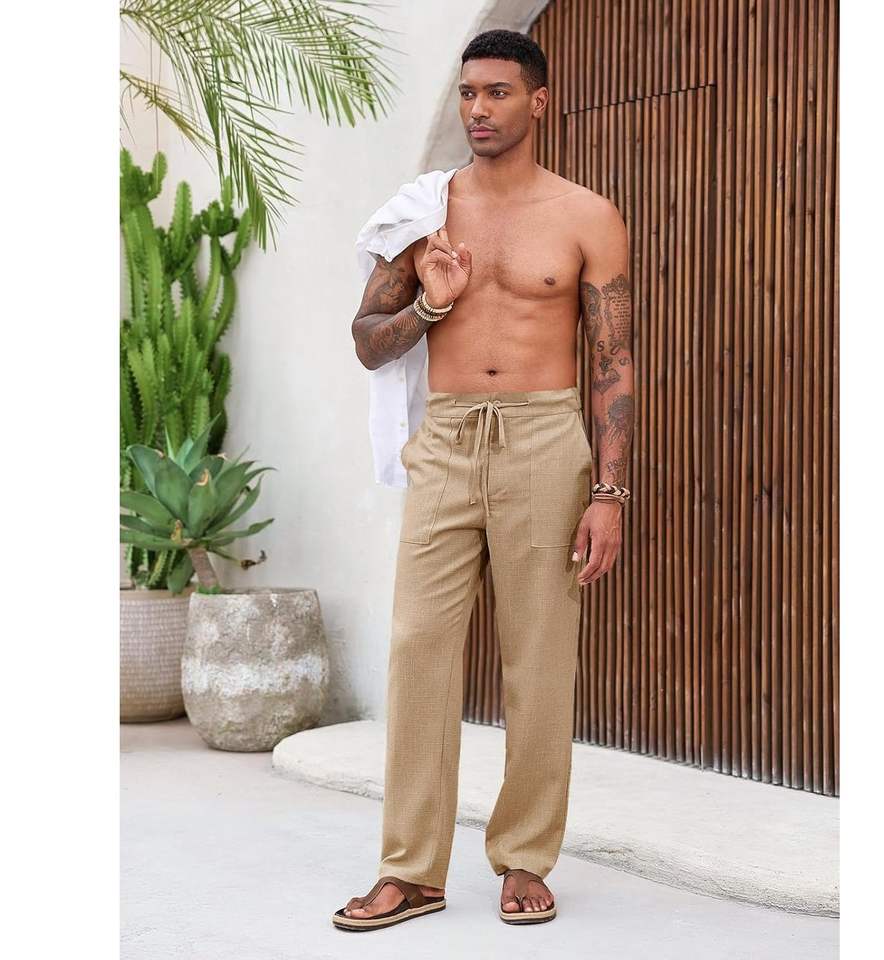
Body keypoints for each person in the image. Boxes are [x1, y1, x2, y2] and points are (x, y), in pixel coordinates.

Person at [333, 28, 635, 932]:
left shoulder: (587, 216)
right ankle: (411, 869)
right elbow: (367, 342)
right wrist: (432, 303)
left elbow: (614, 363)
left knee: (539, 657)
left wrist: (610, 492)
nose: (478, 109)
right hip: (449, 437)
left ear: (537, 101)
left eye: (497, 92)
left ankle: (525, 857)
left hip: (545, 438)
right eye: (468, 93)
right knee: (418, 647)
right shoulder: (424, 214)